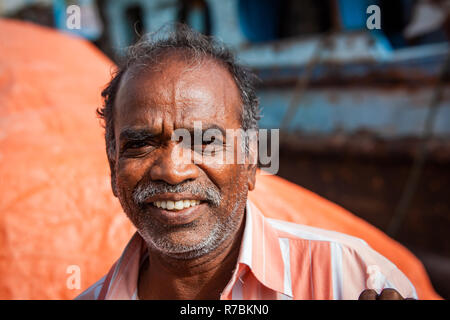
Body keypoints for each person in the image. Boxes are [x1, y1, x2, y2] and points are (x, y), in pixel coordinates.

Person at [76, 24, 417, 300]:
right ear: (113, 167)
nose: (173, 170)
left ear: (251, 162)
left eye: (206, 143)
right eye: (140, 144)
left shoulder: (352, 278)